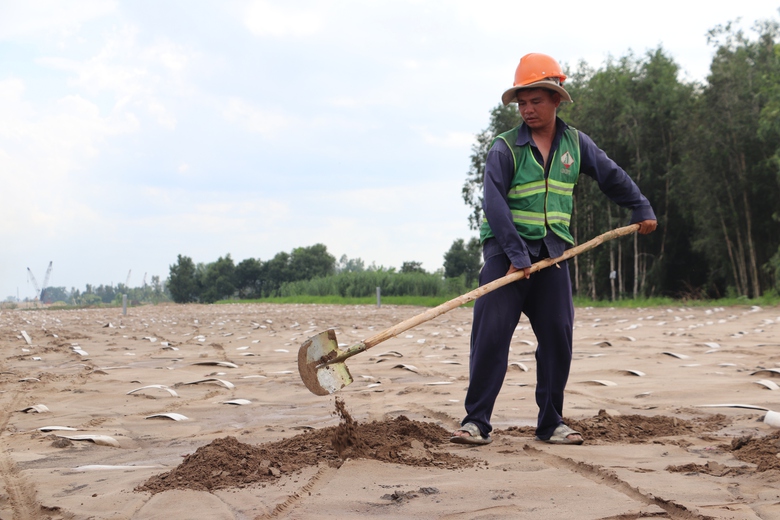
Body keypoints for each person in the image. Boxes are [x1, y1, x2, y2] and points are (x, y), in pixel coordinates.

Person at [451, 53, 657, 446]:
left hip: (554, 254)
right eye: (521, 102)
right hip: (506, 256)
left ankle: (550, 422)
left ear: (556, 98)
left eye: (536, 101)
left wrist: (641, 207)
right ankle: (476, 421)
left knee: (558, 336)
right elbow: (493, 204)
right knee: (491, 336)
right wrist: (515, 256)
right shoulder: (504, 148)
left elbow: (611, 175)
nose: (527, 110)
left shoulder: (575, 144)